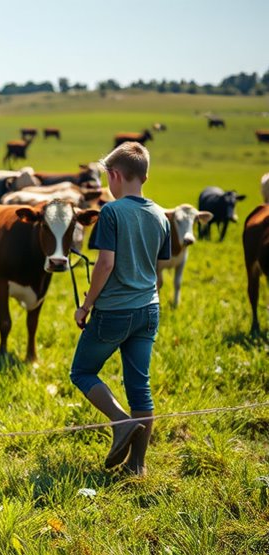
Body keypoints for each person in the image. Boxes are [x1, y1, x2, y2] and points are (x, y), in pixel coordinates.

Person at [70, 142, 170, 476]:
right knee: (140, 386)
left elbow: (106, 263)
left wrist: (86, 305)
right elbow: (158, 268)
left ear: (114, 176)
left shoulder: (111, 212)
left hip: (114, 311)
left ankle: (121, 422)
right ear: (145, 176)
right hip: (149, 309)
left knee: (82, 371)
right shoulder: (161, 215)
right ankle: (137, 467)